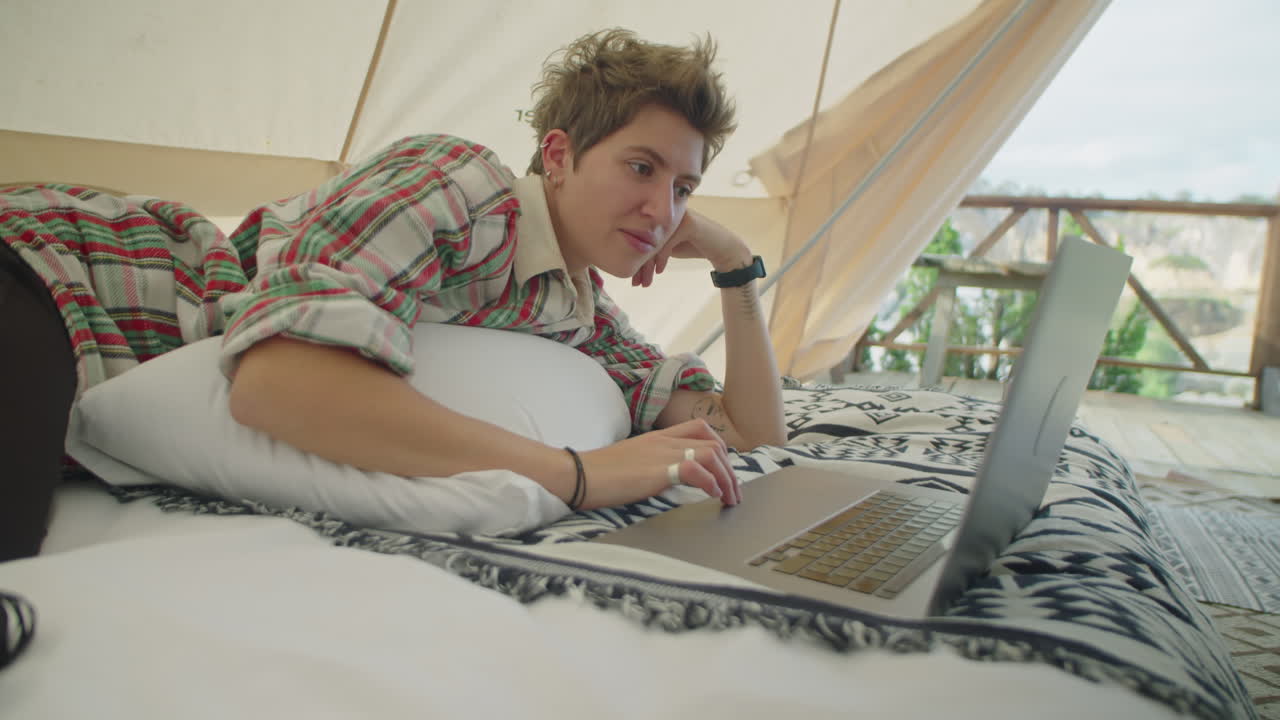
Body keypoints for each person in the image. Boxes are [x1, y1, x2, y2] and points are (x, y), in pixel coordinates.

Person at [0, 28, 786, 563]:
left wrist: (736, 263)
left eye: (685, 188)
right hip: (64, 268)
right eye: (642, 168)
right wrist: (576, 472)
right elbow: (278, 382)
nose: (664, 211)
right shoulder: (458, 185)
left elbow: (751, 431)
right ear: (557, 155)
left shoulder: (577, 312)